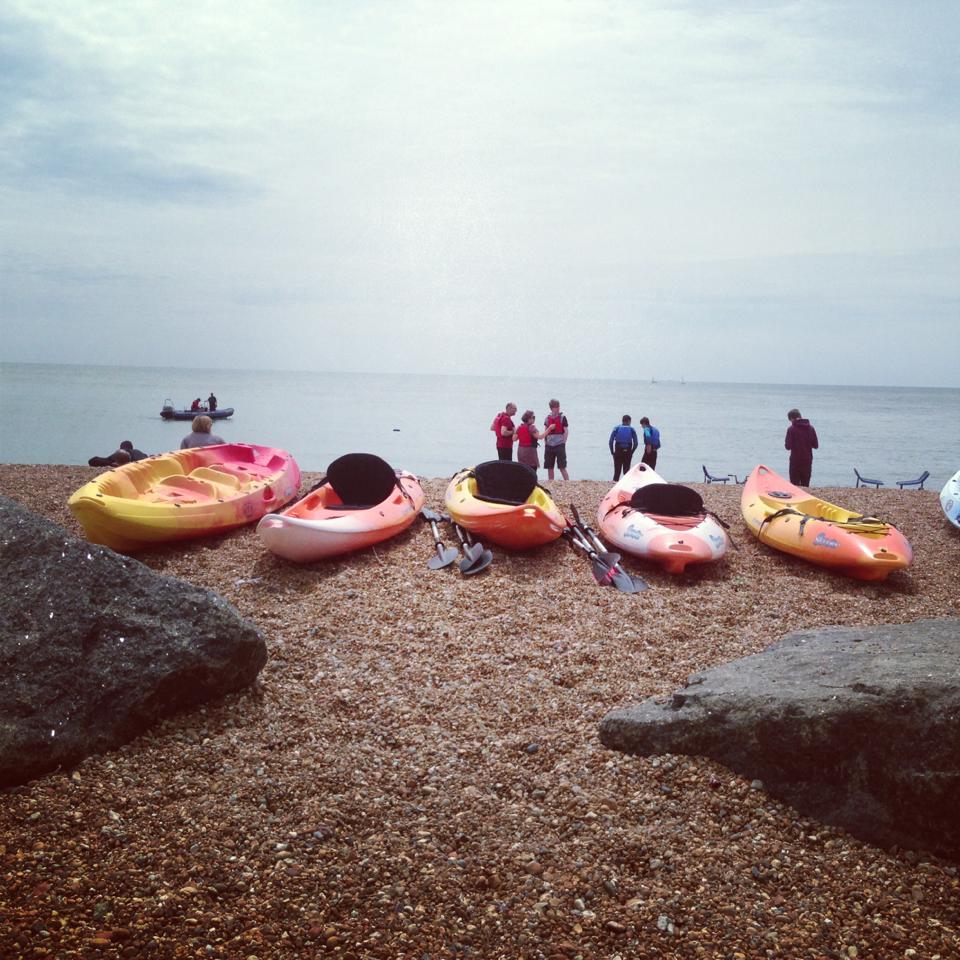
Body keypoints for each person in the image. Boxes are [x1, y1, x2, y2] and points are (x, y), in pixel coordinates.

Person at [785, 408, 819, 486]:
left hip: (795, 461)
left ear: (792, 419)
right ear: (800, 416)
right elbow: (816, 445)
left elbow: (788, 447)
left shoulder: (791, 429)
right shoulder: (811, 428)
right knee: (805, 486)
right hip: (807, 460)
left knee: (795, 486)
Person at [543, 399, 570, 481]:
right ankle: (551, 481)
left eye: (558, 406)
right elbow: (545, 430)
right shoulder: (547, 418)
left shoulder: (562, 418)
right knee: (549, 466)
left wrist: (564, 442)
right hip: (549, 445)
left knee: (562, 466)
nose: (558, 408)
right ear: (551, 408)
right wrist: (545, 442)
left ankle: (567, 482)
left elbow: (566, 431)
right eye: (556, 407)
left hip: (560, 444)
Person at [609, 415, 639, 481]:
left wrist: (612, 451)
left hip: (618, 451)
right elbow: (636, 443)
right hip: (628, 451)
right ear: (629, 421)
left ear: (622, 420)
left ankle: (615, 485)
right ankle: (626, 486)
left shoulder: (616, 428)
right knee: (626, 471)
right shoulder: (632, 429)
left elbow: (611, 441)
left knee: (617, 471)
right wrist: (632, 451)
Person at [516, 410, 544, 474]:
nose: (534, 419)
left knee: (523, 468)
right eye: (533, 417)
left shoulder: (520, 427)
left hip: (520, 450)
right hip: (530, 451)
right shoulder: (532, 427)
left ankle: (523, 482)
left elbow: (514, 439)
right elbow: (540, 437)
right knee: (532, 468)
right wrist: (549, 429)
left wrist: (515, 431)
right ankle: (532, 482)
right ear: (529, 419)